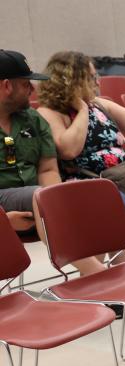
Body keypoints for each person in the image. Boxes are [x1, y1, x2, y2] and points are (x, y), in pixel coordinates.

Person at [36, 51, 125, 264]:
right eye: (91, 77)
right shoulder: (49, 112)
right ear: (73, 80)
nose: (97, 82)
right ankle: (120, 275)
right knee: (124, 209)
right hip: (88, 182)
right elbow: (69, 150)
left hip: (124, 177)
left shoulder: (100, 104)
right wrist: (81, 109)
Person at [0, 50, 60, 248]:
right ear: (7, 85)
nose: (33, 90)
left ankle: (95, 276)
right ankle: (97, 272)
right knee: (38, 195)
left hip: (35, 201)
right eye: (26, 84)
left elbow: (48, 170)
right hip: (6, 202)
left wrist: (57, 201)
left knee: (87, 199)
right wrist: (3, 219)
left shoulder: (33, 119)